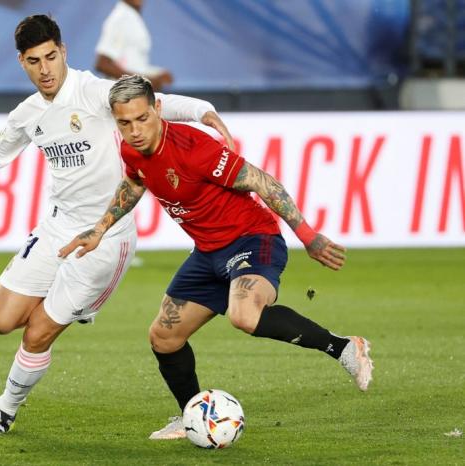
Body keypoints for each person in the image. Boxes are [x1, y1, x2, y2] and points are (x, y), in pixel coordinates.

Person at [0, 16, 233, 435]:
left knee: (38, 332)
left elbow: (158, 102)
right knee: (0, 319)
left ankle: (3, 409)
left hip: (104, 237)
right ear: (21, 63)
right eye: (33, 61)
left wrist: (203, 112)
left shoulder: (95, 92)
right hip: (56, 227)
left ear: (63, 52)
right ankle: (73, 306)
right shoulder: (28, 114)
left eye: (50, 57)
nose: (44, 69)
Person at [59, 75, 374, 440]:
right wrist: (100, 227)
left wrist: (308, 235)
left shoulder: (195, 148)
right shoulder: (131, 149)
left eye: (142, 119)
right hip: (207, 252)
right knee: (163, 337)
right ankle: (192, 415)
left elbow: (261, 181)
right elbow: (135, 182)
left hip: (252, 239)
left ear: (158, 109)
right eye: (124, 123)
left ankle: (345, 347)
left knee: (244, 315)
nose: (135, 131)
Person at [95, 0, 173, 91]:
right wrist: (145, 81)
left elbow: (134, 65)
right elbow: (103, 64)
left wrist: (157, 73)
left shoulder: (132, 17)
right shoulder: (120, 19)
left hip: (133, 94)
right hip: (123, 97)